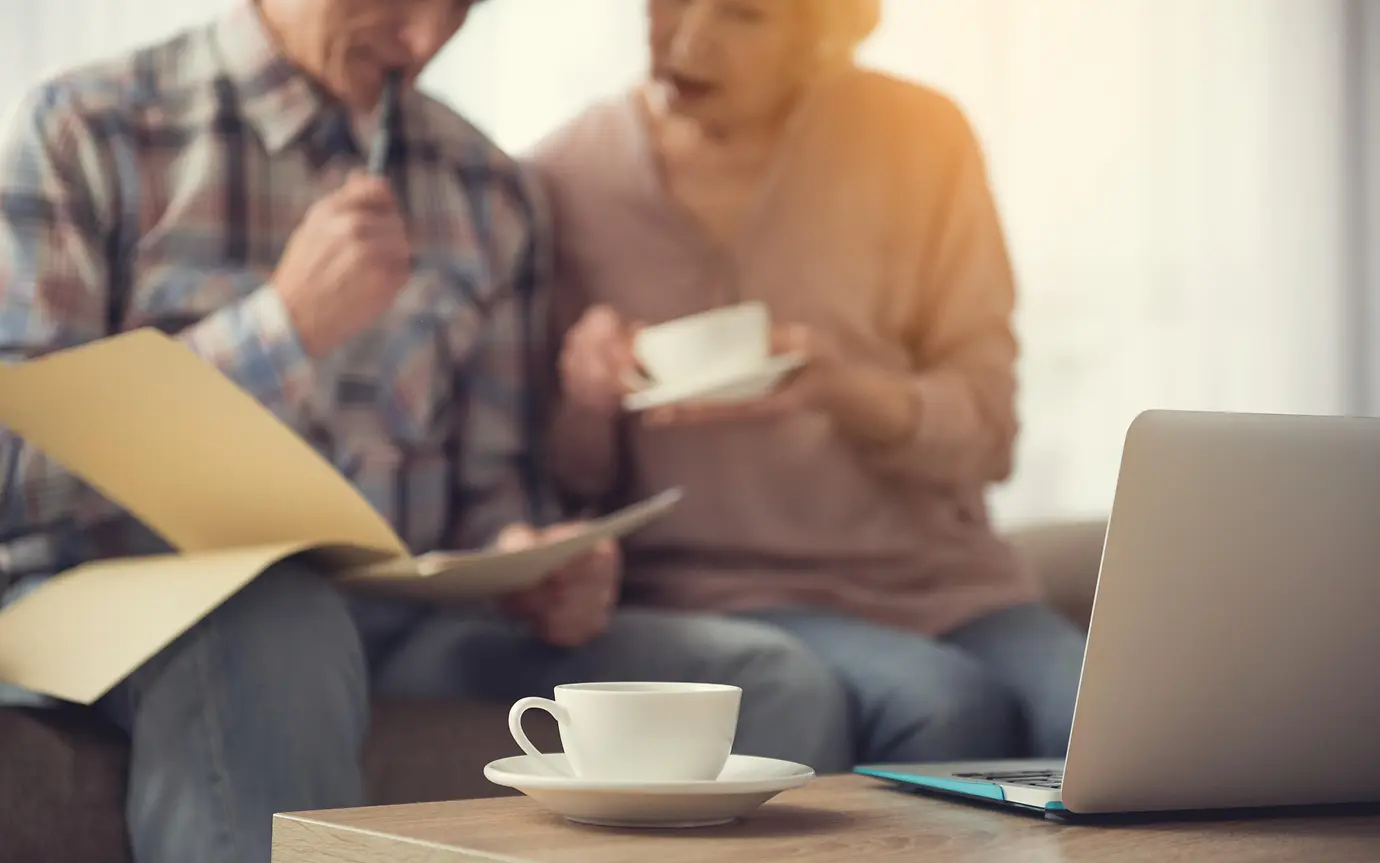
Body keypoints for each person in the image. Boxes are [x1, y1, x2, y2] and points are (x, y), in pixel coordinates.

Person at [0, 1, 854, 861]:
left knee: (775, 684)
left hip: (405, 620)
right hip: (128, 611)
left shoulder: (485, 186)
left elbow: (494, 491)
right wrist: (282, 331)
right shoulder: (88, 129)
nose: (421, 42)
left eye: (455, 7)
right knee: (278, 620)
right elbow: (13, 473)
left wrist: (530, 560)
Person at [535, 0, 1087, 767]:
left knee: (1120, 736)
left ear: (822, 39)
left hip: (948, 586)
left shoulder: (921, 140)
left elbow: (991, 434)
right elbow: (559, 488)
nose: (687, 40)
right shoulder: (563, 177)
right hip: (715, 595)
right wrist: (584, 400)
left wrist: (848, 390)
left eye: (743, 16)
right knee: (945, 705)